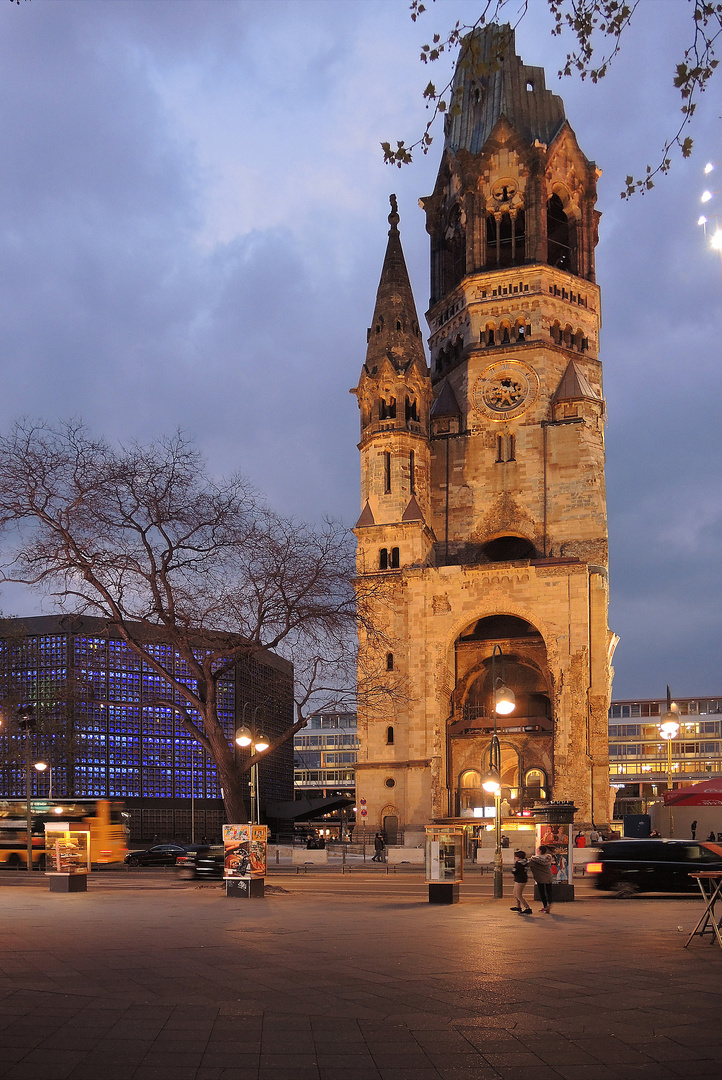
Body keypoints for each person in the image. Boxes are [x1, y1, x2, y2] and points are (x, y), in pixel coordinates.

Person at [530, 845, 554, 913]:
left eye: (537, 849)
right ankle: (549, 904)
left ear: (540, 851)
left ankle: (545, 906)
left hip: (540, 877)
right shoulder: (548, 858)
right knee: (549, 891)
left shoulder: (534, 859)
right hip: (548, 876)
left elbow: (529, 865)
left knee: (542, 892)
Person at [509, 849, 532, 914]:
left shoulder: (518, 864)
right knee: (515, 893)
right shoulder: (525, 862)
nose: (515, 858)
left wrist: (513, 871)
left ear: (519, 857)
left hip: (520, 880)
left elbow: (514, 871)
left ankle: (527, 908)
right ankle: (518, 906)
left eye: (516, 857)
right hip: (521, 879)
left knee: (518, 894)